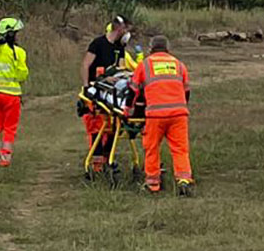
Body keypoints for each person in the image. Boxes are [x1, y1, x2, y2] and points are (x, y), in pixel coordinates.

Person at [131, 35, 194, 196]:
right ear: (168, 48)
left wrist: (129, 110)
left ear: (150, 48)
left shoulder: (144, 65)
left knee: (152, 148)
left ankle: (153, 184)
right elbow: (186, 91)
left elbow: (134, 91)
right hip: (179, 114)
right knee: (180, 149)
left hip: (155, 115)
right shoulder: (178, 64)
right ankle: (184, 180)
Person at [79, 15, 132, 172]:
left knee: (115, 125)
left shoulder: (119, 47)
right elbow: (85, 65)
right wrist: (87, 86)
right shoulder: (98, 44)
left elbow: (121, 69)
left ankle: (107, 158)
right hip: (97, 87)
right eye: (126, 30)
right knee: (96, 127)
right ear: (119, 28)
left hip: (113, 88)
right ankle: (97, 164)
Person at [0, 18, 29, 166]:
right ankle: (5, 159)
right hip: (11, 95)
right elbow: (22, 75)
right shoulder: (18, 52)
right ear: (13, 34)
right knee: (9, 128)